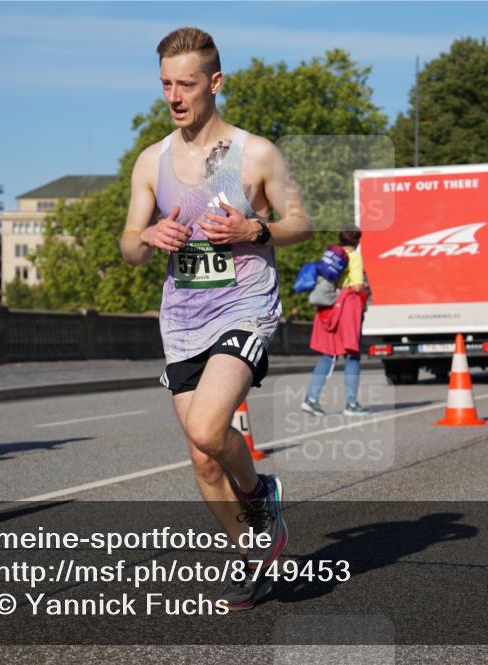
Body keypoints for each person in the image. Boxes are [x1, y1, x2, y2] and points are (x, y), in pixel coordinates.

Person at [118, 28, 312, 610]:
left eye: (186, 84)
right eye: (165, 85)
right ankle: (252, 558)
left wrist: (257, 228)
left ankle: (258, 495)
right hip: (182, 318)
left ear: (215, 83)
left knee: (208, 428)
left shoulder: (256, 152)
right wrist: (147, 235)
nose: (174, 97)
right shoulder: (152, 160)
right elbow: (127, 244)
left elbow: (300, 221)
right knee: (203, 459)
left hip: (243, 307)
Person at [301, 227, 368, 416]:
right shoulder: (354, 256)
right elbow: (356, 285)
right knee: (352, 355)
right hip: (348, 307)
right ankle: (351, 404)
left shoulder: (331, 255)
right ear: (357, 241)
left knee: (328, 354)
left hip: (330, 305)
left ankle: (311, 398)